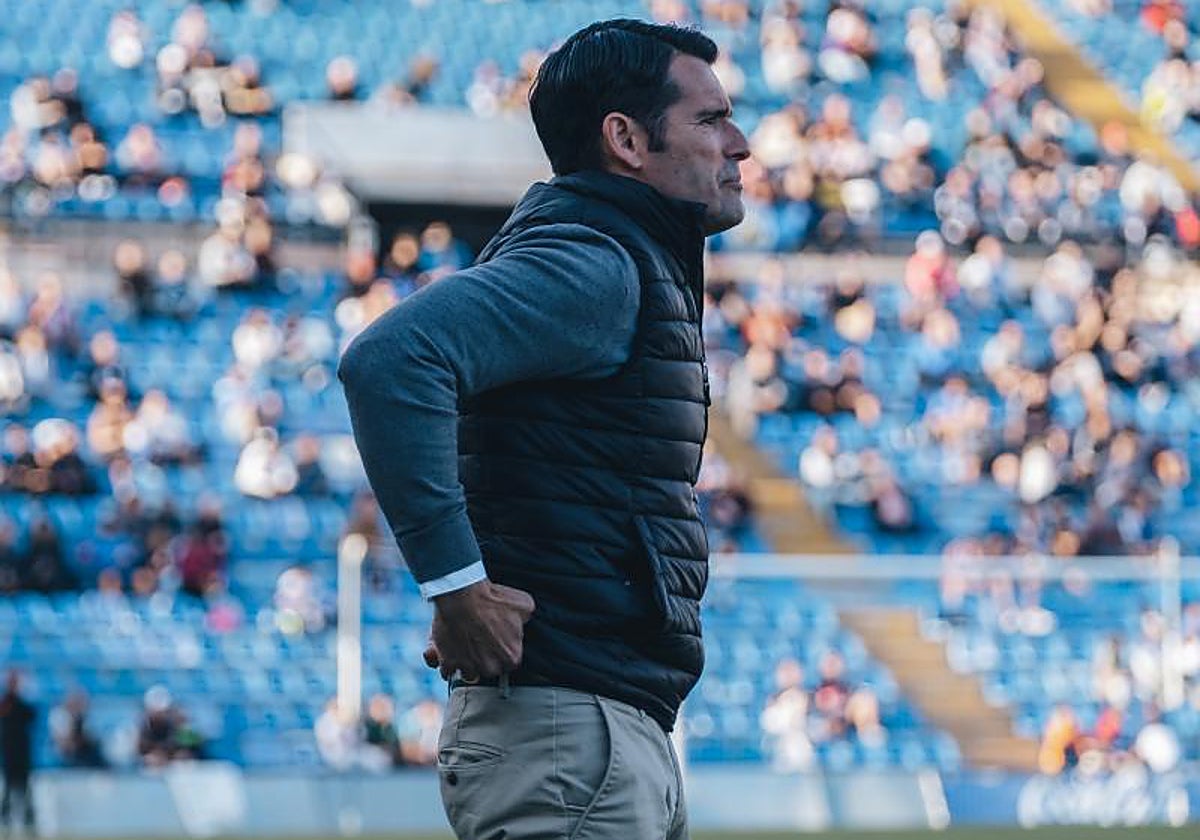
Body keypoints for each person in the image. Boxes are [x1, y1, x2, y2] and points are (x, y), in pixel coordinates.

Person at [339, 18, 748, 840]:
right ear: (626, 139)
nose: (740, 143)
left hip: (593, 728)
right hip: (567, 735)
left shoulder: (613, 254)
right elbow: (390, 359)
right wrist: (455, 586)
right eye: (710, 120)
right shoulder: (595, 263)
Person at [0, 671, 36, 836]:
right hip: (10, 753)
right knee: (8, 789)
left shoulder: (20, 703)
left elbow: (32, 715)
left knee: (25, 790)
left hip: (22, 753)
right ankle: (5, 819)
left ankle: (28, 820)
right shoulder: (6, 702)